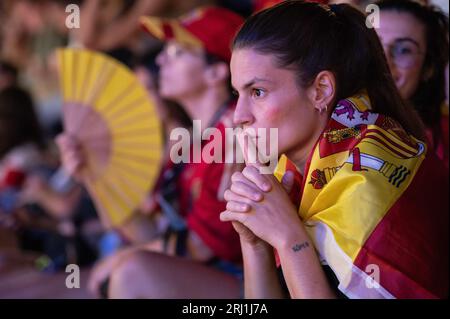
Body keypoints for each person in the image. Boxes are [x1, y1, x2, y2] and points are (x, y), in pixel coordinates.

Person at [220, 1, 448, 298]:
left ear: (321, 90)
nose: (239, 115)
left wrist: (289, 237)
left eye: (258, 92)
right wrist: (255, 245)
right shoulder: (289, 171)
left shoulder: (369, 179)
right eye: (238, 93)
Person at [58, 6, 245, 298]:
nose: (160, 60)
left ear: (216, 71)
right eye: (164, 51)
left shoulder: (233, 133)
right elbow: (149, 233)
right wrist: (91, 175)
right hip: (208, 277)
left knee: (132, 271)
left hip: (247, 284)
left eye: (177, 53)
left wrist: (124, 257)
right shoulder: (191, 140)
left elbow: (199, 247)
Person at [375, 0, 449, 167]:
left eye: (404, 50)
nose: (384, 61)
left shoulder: (444, 138)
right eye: (373, 45)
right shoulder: (320, 121)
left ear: (428, 68)